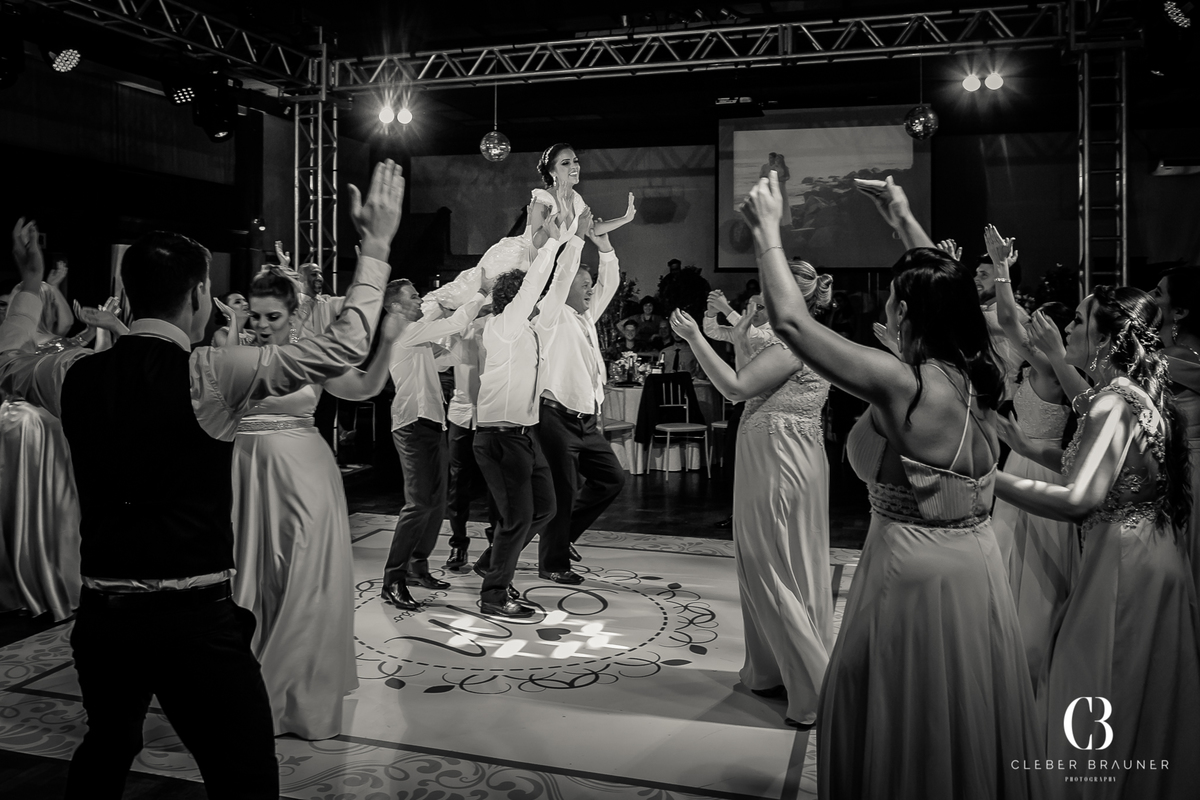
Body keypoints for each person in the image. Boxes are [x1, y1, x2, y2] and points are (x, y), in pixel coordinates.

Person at [0, 161, 403, 800]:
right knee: (243, 776)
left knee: (106, 749)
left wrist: (29, 285)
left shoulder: (71, 374)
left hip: (104, 617)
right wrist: (375, 248)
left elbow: (10, 359)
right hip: (194, 621)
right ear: (196, 297)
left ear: (128, 299)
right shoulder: (212, 373)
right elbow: (344, 346)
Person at [745, 172, 1042, 798]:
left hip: (908, 573)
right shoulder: (976, 372)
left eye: (889, 300)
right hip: (975, 568)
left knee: (891, 702)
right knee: (960, 706)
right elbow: (953, 293)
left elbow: (794, 326)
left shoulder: (901, 383)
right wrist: (903, 217)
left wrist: (768, 231)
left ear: (903, 312)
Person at [994, 285, 1200, 796]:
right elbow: (1101, 467)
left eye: (1079, 320)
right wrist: (1024, 448)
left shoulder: (1115, 401)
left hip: (1124, 568)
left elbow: (1080, 499)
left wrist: (982, 477)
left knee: (1092, 690)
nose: (1066, 328)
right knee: (1135, 703)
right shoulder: (1137, 395)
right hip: (1151, 554)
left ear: (1107, 338)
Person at [227, 265, 399, 740]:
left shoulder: (309, 355)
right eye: (256, 316)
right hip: (247, 469)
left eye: (272, 316)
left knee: (303, 576)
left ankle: (296, 691)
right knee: (251, 576)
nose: (261, 325)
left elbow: (364, 388)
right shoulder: (233, 353)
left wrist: (388, 340)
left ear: (294, 312)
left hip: (304, 473)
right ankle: (244, 681)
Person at [670, 261, 834, 729]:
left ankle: (812, 689)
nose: (763, 296)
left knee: (774, 564)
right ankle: (773, 671)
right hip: (772, 447)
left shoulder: (794, 340)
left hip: (781, 454)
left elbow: (736, 387)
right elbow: (747, 367)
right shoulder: (788, 335)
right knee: (768, 559)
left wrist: (695, 340)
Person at [979, 224, 1087, 684]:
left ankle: (1023, 664)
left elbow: (1005, 320)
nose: (1028, 325)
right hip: (1027, 462)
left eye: (1039, 320)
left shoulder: (1050, 367)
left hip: (1038, 470)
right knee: (1010, 564)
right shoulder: (1047, 368)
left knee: (1032, 573)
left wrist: (1001, 269)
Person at [472, 215, 577, 617]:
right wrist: (549, 243)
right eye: (528, 299)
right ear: (515, 301)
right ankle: (494, 594)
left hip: (524, 436)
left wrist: (574, 242)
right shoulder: (501, 328)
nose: (535, 302)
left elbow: (555, 289)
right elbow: (535, 284)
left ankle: (494, 560)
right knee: (518, 519)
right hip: (498, 438)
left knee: (546, 509)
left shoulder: (530, 329)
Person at [379, 277, 489, 611]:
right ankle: (393, 578)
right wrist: (481, 293)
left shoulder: (415, 336)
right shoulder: (402, 329)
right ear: (396, 305)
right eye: (413, 297)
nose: (420, 302)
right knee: (418, 504)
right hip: (413, 424)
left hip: (430, 422)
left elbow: (446, 359)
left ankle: (417, 566)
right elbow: (454, 322)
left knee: (436, 502)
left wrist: (454, 334)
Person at [425, 142, 635, 311]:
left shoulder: (577, 200)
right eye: (565, 163)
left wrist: (625, 219)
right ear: (552, 171)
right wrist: (560, 214)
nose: (574, 167)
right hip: (516, 259)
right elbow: (536, 242)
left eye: (575, 161)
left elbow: (590, 229)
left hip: (540, 264)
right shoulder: (543, 199)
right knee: (470, 301)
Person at [535, 218, 625, 579]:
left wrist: (604, 248)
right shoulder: (551, 314)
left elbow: (611, 282)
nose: (591, 290)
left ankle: (561, 537)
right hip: (555, 416)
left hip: (585, 420)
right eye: (584, 284)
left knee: (612, 479)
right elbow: (560, 279)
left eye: (591, 285)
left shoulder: (586, 316)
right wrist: (571, 237)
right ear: (565, 286)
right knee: (563, 491)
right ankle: (552, 565)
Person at [703, 290, 774, 528]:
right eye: (750, 307)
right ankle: (739, 515)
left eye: (759, 308)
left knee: (759, 465)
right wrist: (712, 312)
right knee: (734, 461)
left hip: (766, 405)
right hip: (743, 404)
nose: (753, 312)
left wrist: (726, 309)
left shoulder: (773, 333)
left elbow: (755, 337)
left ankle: (761, 518)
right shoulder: (742, 330)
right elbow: (713, 331)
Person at [1152, 265, 1200, 593]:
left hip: (1188, 470)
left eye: (1157, 293)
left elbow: (1104, 368)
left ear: (1180, 311)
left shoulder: (1173, 358)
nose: (1148, 298)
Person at [444, 307, 498, 573]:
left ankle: (496, 546)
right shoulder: (459, 323)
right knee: (457, 482)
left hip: (492, 412)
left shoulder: (500, 323)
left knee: (495, 483)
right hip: (462, 411)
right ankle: (458, 543)